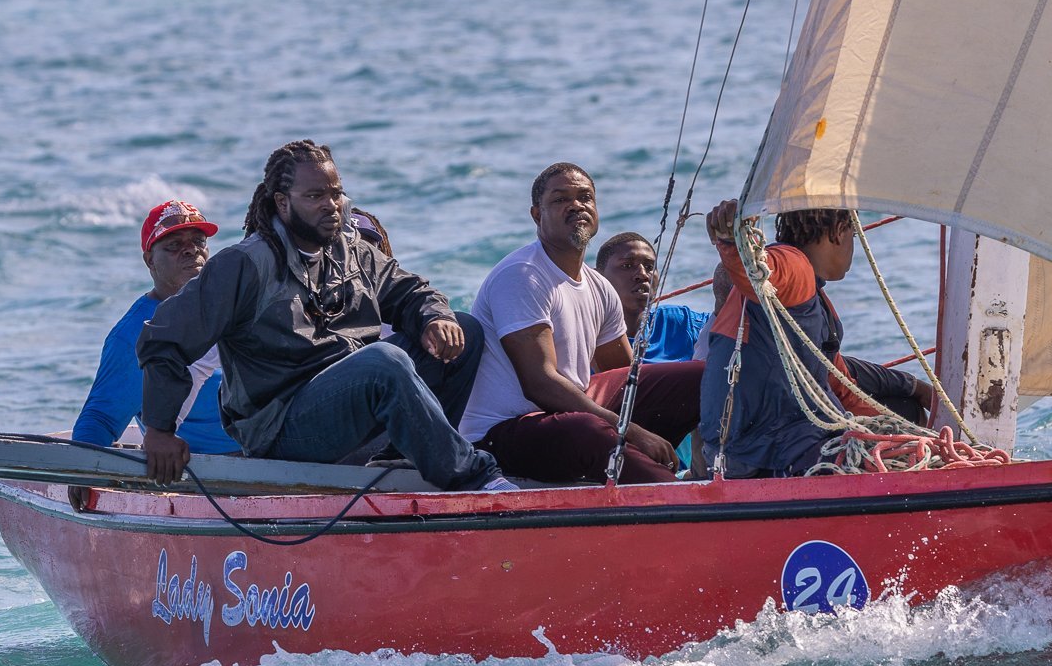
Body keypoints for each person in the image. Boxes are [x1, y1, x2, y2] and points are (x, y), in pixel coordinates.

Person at [136, 139, 511, 492]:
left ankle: (401, 462)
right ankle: (472, 477)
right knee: (384, 361)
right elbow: (164, 339)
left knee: (464, 329)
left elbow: (411, 291)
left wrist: (434, 317)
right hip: (283, 428)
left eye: (335, 193)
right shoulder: (245, 264)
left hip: (349, 410)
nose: (331, 205)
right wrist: (159, 431)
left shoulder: (351, 252)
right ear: (282, 203)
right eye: (315, 196)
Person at [459, 163, 702, 484]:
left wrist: (645, 420)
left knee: (701, 376)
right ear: (536, 215)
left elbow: (629, 380)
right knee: (590, 431)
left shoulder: (599, 287)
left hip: (568, 413)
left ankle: (716, 471)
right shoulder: (522, 275)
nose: (576, 205)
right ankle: (673, 494)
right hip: (504, 432)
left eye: (585, 197)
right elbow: (540, 384)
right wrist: (628, 430)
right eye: (561, 200)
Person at [700, 200, 934, 477]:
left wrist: (906, 425)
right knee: (892, 462)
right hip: (765, 454)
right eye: (853, 236)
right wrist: (731, 240)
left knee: (904, 412)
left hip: (745, 449)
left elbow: (841, 383)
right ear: (839, 231)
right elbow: (760, 271)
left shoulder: (814, 298)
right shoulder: (794, 266)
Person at [72, 201, 238, 454]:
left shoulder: (233, 302)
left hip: (272, 446)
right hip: (214, 469)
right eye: (174, 245)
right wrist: (82, 471)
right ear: (150, 261)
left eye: (198, 241)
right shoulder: (134, 334)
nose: (191, 251)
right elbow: (101, 418)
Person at [595, 232, 712, 363]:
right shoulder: (585, 337)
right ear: (597, 278)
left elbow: (729, 321)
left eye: (650, 267)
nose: (643, 274)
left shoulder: (680, 323)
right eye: (627, 266)